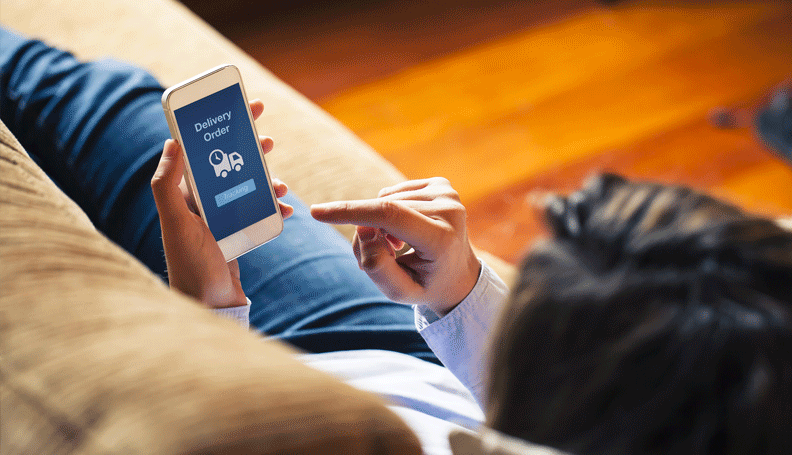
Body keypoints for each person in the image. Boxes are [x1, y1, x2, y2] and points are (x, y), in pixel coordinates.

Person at [3, 27, 790, 455]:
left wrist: (209, 304)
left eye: (525, 317)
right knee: (97, 101)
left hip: (293, 371)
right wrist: (458, 292)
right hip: (392, 348)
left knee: (78, 105)